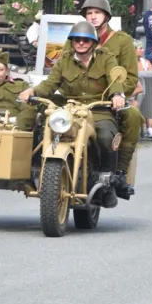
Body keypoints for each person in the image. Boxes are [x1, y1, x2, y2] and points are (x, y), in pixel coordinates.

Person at [19, 21, 126, 207]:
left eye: (85, 40)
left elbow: (114, 79)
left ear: (93, 42)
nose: (81, 43)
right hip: (70, 109)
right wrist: (33, 92)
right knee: (43, 127)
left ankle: (107, 182)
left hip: (97, 110)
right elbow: (50, 84)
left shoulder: (106, 58)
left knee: (106, 137)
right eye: (77, 40)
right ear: (72, 41)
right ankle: (35, 170)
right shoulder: (64, 61)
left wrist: (117, 94)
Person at [61, 0, 142, 194]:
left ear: (106, 16)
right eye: (89, 13)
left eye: (97, 13)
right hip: (76, 100)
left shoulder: (122, 41)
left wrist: (118, 94)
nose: (93, 17)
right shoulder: (75, 38)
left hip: (109, 101)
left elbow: (130, 77)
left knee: (133, 117)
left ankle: (119, 172)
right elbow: (63, 67)